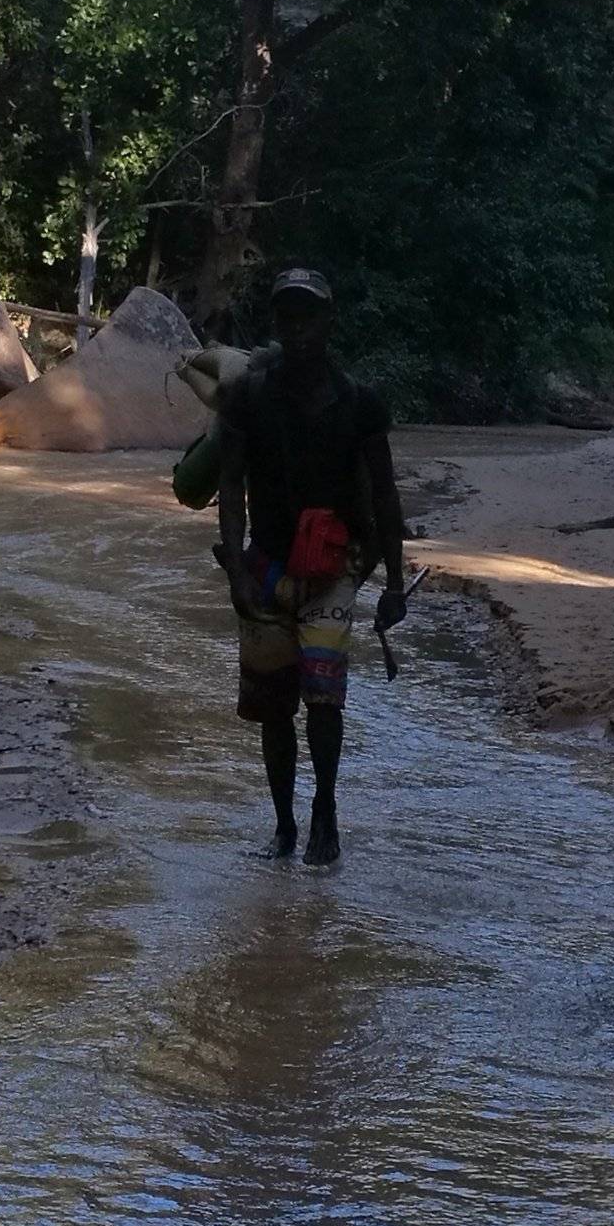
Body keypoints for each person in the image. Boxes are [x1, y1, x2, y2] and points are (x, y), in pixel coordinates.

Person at [215, 267, 409, 864]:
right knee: (275, 707)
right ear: (277, 323)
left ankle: (324, 811)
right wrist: (238, 576)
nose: (297, 329)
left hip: (332, 571)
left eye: (308, 316)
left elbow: (384, 495)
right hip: (267, 568)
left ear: (328, 323)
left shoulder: (359, 405)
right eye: (287, 317)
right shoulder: (249, 397)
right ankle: (284, 826)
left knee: (324, 699)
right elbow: (231, 486)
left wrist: (396, 585)